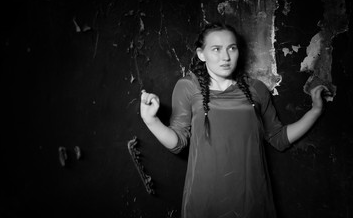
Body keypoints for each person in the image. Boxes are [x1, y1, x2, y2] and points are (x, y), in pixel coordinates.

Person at [140, 22, 330, 218]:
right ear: (201, 54)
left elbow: (279, 138)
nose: (226, 57)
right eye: (216, 49)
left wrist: (315, 110)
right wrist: (151, 120)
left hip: (251, 199)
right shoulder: (188, 86)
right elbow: (178, 143)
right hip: (205, 198)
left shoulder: (256, 88)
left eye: (232, 48)